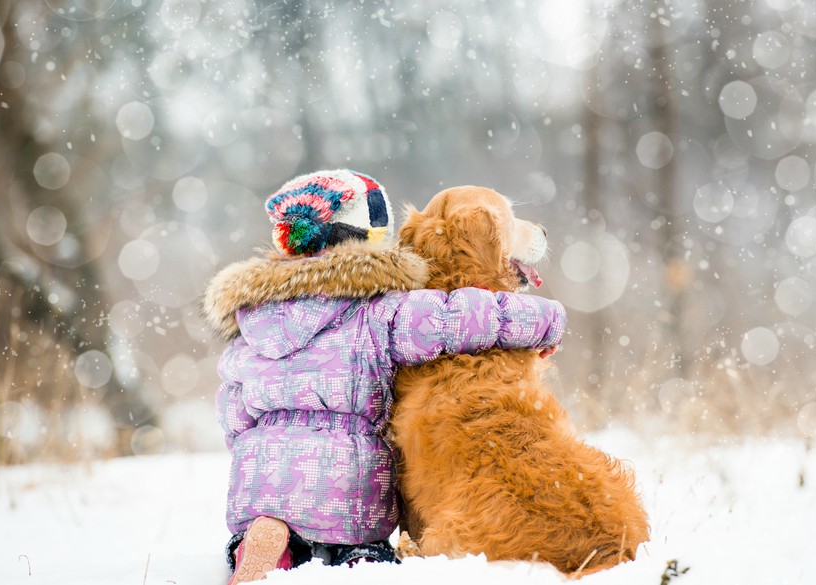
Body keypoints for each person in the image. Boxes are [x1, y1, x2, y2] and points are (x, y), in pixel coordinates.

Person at [201, 169, 567, 584]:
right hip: (350, 480)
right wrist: (546, 320)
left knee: (264, 524)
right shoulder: (380, 310)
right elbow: (460, 319)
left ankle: (266, 542)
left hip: (261, 477)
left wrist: (257, 450)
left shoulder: (251, 323)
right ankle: (363, 562)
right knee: (366, 549)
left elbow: (232, 411)